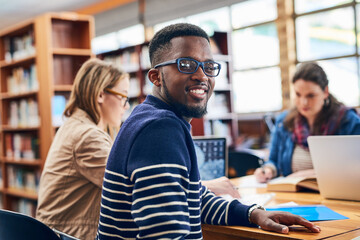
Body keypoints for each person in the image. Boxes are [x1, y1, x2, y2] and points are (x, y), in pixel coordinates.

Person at [96, 23, 320, 239]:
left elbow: (192, 199)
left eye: (209, 66)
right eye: (186, 64)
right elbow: (166, 235)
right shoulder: (160, 129)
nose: (202, 75)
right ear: (156, 77)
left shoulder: (151, 118)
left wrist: (254, 213)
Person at [36, 58, 130, 240]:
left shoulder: (76, 125)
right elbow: (126, 187)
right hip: (67, 235)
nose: (126, 106)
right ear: (100, 94)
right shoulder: (87, 136)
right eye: (123, 96)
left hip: (56, 231)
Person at [255, 62, 360, 183]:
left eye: (311, 95)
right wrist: (268, 170)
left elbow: (356, 166)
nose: (303, 102)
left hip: (338, 194)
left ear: (325, 92)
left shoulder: (349, 121)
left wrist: (310, 174)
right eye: (298, 94)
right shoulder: (283, 121)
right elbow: (273, 161)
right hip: (293, 196)